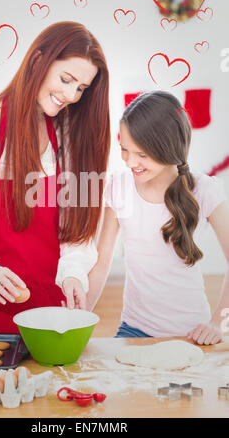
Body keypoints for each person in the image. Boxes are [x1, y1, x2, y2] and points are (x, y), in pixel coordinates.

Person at [0, 21, 110, 333]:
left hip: (51, 318)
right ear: (38, 61)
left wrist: (73, 273)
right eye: (66, 79)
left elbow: (75, 229)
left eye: (81, 89)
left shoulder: (69, 137)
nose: (71, 95)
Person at [87, 90, 229, 345]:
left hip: (193, 332)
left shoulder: (205, 190)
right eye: (125, 149)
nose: (130, 162)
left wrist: (218, 323)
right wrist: (79, 317)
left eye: (142, 154)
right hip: (134, 329)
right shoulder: (118, 187)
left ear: (169, 150)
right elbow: (100, 264)